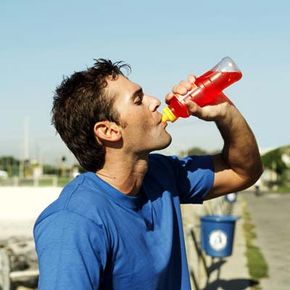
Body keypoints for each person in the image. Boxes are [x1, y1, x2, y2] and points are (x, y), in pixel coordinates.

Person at [33, 59, 263, 290]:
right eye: (138, 99)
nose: (155, 102)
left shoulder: (162, 175)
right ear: (108, 131)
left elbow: (242, 171)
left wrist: (225, 113)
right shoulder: (73, 222)